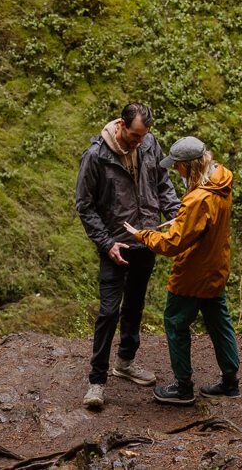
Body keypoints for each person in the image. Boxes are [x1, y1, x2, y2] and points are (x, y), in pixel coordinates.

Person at [75, 102, 181, 409]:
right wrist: (106, 243)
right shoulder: (96, 155)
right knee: (109, 311)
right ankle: (97, 381)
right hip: (115, 245)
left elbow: (163, 184)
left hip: (146, 239)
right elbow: (85, 206)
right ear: (122, 125)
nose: (139, 141)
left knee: (134, 306)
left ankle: (125, 362)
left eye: (143, 136)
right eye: (135, 136)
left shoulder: (149, 144)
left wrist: (176, 215)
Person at [120, 136, 240, 405]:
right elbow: (205, 223)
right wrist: (182, 220)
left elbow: (173, 244)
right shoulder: (221, 182)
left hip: (191, 275)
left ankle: (183, 387)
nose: (175, 169)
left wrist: (142, 235)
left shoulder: (197, 199)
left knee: (175, 323)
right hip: (216, 268)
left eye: (178, 165)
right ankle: (230, 381)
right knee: (219, 322)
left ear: (190, 165)